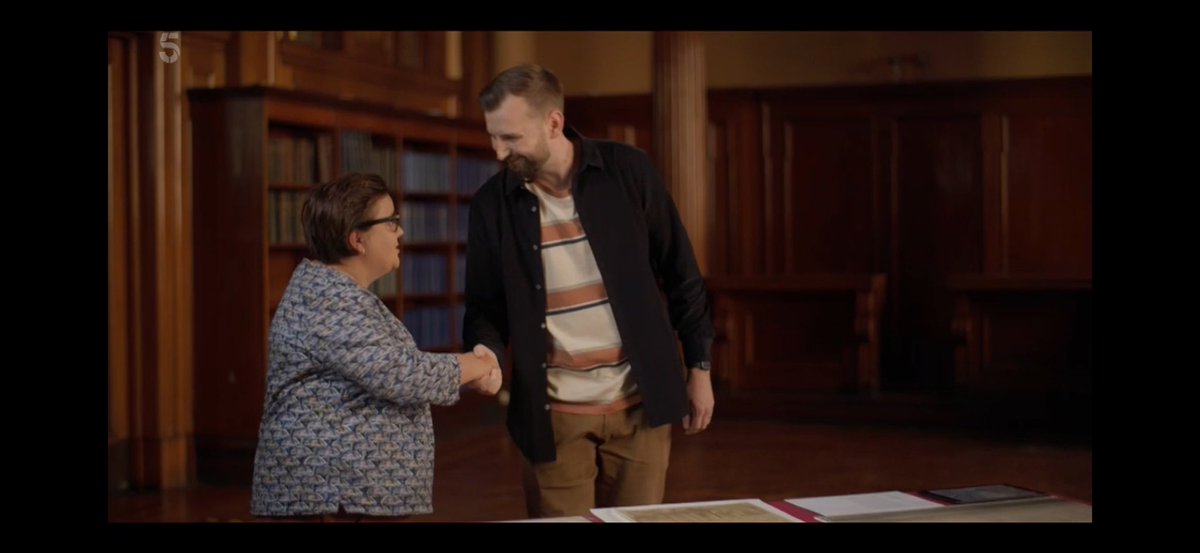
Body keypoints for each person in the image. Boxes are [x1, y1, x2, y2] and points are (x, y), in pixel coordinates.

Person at [462, 64, 715, 518]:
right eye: (493, 136)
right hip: (552, 416)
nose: (498, 151)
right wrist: (486, 354)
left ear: (553, 122)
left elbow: (682, 273)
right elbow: (484, 307)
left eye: (511, 138)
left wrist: (699, 367)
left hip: (642, 408)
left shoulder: (628, 171)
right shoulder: (490, 205)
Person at [251, 172, 501, 521]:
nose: (400, 232)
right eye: (391, 222)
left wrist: (468, 370)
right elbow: (400, 374)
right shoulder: (327, 300)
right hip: (330, 495)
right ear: (358, 240)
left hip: (346, 496)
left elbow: (393, 366)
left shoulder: (337, 294)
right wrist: (478, 364)